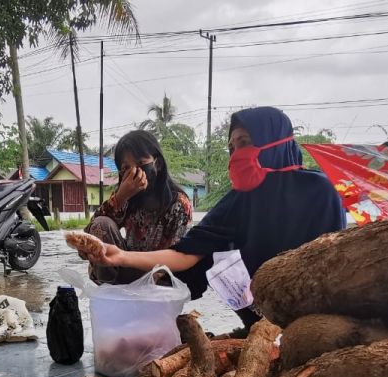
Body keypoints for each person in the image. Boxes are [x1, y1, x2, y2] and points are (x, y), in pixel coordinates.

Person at [82, 107, 347, 327]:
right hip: (259, 305)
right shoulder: (240, 199)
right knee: (210, 258)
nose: (236, 154)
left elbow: (332, 265)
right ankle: (255, 328)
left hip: (312, 307)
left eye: (243, 142)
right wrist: (119, 255)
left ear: (272, 141)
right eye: (232, 147)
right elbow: (186, 254)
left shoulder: (320, 192)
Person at [85, 129, 194, 285]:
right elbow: (90, 235)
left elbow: (177, 259)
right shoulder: (127, 199)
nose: (134, 172)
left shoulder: (179, 205)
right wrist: (121, 197)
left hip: (157, 278)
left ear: (158, 164)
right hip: (122, 271)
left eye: (141, 163)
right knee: (102, 224)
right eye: (126, 168)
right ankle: (107, 291)